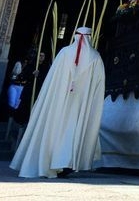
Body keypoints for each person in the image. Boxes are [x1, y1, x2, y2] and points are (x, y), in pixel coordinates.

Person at [10, 26, 105, 178]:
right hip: (79, 105)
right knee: (71, 131)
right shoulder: (95, 57)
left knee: (55, 129)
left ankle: (49, 161)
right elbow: (98, 86)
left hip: (60, 103)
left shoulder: (64, 53)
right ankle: (66, 163)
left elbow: (52, 81)